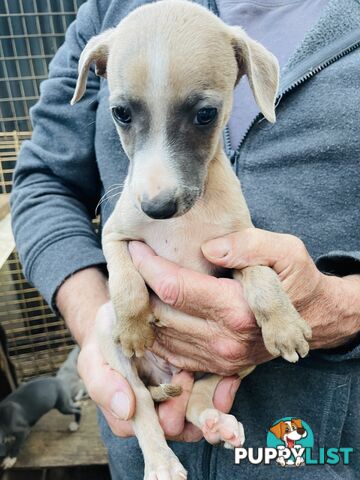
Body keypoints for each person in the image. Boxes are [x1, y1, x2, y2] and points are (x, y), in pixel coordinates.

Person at [10, 0, 360, 478]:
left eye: (202, 116)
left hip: (316, 450)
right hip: (144, 451)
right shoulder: (111, 14)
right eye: (123, 115)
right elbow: (44, 182)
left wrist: (344, 306)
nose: (157, 188)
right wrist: (97, 323)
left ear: (247, 73)